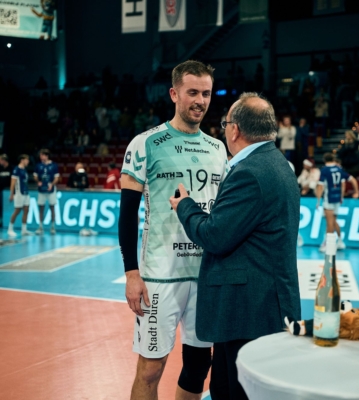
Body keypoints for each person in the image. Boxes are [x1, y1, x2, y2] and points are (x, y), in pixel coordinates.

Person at [170, 92, 301, 400]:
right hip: (264, 306)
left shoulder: (250, 173)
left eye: (225, 123)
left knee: (234, 393)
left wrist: (185, 205)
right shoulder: (278, 163)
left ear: (235, 130)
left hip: (248, 311)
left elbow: (214, 235)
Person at [118, 60, 228, 400]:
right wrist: (132, 274)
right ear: (174, 94)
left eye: (206, 94)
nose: (200, 101)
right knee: (151, 369)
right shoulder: (145, 143)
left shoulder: (218, 149)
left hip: (205, 275)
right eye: (192, 92)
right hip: (159, 277)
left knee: (199, 366)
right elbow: (127, 215)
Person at [316, 152, 359, 251]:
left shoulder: (324, 170)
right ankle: (340, 241)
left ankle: (328, 245)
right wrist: (356, 192)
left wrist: (318, 201)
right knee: (334, 221)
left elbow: (320, 186)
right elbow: (353, 180)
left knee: (330, 223)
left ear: (324, 160)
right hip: (337, 199)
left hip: (329, 199)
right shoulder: (339, 169)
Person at [33, 149, 59, 235]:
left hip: (51, 189)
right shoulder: (38, 165)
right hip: (41, 189)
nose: (40, 157)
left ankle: (53, 227)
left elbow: (56, 178)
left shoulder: (54, 165)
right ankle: (40, 227)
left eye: (42, 155)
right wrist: (38, 182)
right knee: (41, 208)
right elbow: (35, 176)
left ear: (46, 156)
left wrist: (52, 184)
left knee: (52, 207)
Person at [7, 155, 32, 237]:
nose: (28, 161)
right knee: (17, 211)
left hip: (26, 192)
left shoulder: (24, 170)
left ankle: (24, 230)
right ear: (22, 160)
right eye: (26, 160)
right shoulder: (16, 169)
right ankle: (10, 229)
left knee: (26, 210)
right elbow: (12, 183)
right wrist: (12, 194)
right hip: (19, 193)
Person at [0, 154, 12, 227]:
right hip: (0, 190)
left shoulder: (11, 168)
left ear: (4, 160)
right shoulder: (0, 168)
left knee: (5, 207)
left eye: (0, 160)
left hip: (7, 191)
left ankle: (6, 221)